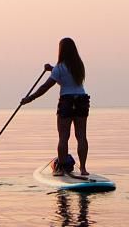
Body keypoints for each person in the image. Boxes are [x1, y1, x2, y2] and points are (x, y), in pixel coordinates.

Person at [21, 37, 90, 177]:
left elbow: (46, 86)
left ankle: (62, 169)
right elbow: (67, 77)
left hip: (67, 101)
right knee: (81, 136)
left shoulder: (59, 68)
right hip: (82, 100)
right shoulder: (79, 66)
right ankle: (83, 169)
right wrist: (51, 69)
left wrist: (30, 98)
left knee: (63, 137)